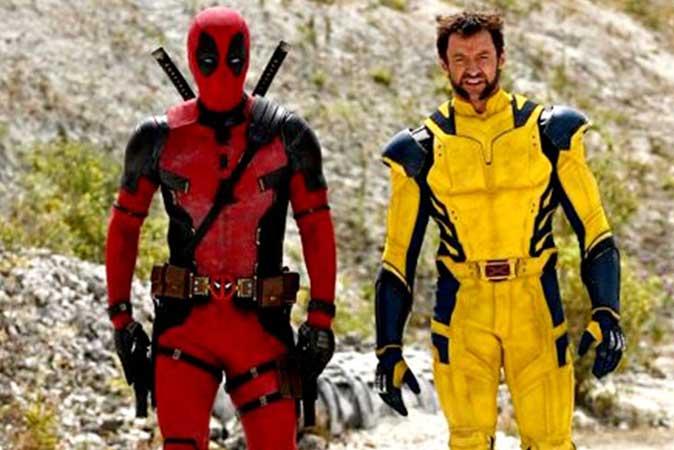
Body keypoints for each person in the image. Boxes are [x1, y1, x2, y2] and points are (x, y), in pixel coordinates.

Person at [374, 11, 625, 450]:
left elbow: (594, 230)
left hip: (535, 301)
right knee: (468, 441)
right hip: (462, 308)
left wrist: (607, 311)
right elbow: (397, 258)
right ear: (443, 64)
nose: (472, 69)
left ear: (502, 58)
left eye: (483, 57)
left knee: (551, 442)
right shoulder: (418, 150)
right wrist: (388, 348)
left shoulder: (550, 132)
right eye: (460, 58)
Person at [105, 7, 337, 449]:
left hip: (260, 331)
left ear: (246, 57)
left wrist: (321, 319)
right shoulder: (157, 139)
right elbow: (123, 229)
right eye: (210, 58)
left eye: (233, 58)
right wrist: (120, 318)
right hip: (187, 331)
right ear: (193, 57)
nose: (223, 70)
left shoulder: (288, 136)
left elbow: (317, 229)